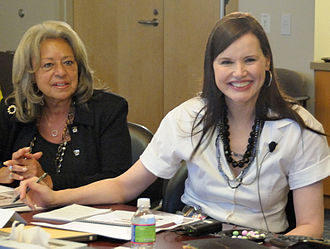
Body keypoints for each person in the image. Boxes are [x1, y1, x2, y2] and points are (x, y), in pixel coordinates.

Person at [17, 12, 329, 238]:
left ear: (267, 62)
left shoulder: (300, 129)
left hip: (263, 242)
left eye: (249, 60)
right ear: (211, 67)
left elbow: (311, 226)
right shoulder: (187, 118)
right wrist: (56, 197)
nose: (239, 72)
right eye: (226, 62)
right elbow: (124, 185)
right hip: (191, 238)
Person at [0, 20, 132, 190]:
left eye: (68, 62)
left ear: (79, 67)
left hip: (89, 213)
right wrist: (9, 171)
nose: (61, 72)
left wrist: (48, 180)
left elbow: (118, 181)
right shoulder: (14, 110)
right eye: (48, 65)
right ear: (30, 74)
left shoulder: (108, 110)